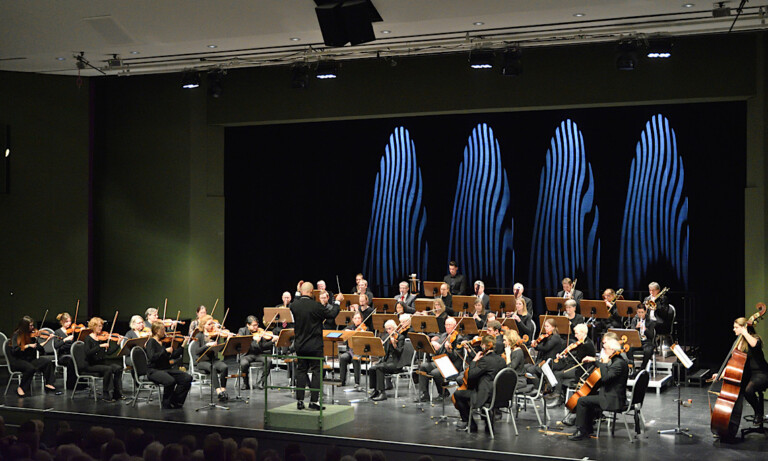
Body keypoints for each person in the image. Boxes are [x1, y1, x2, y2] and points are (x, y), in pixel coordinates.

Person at [291, 282, 343, 410]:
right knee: (316, 372)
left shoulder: (294, 305)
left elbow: (296, 299)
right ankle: (314, 401)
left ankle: (300, 401)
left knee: (301, 371)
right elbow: (331, 314)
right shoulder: (316, 306)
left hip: (300, 345)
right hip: (314, 346)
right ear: (312, 291)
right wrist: (337, 302)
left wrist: (298, 291)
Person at [568, 337, 629, 441]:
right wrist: (595, 361)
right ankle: (588, 429)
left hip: (612, 400)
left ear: (612, 350)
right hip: (612, 395)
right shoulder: (617, 360)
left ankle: (581, 431)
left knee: (582, 400)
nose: (603, 352)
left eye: (605, 349)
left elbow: (605, 378)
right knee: (589, 397)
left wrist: (604, 364)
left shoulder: (618, 364)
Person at [711, 316, 768, 426]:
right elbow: (733, 362)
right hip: (749, 374)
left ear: (743, 328)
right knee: (738, 391)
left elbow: (755, 345)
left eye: (736, 327)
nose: (734, 329)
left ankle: (758, 413)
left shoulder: (754, 338)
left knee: (749, 389)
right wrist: (720, 374)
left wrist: (745, 332)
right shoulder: (738, 342)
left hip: (762, 373)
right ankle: (729, 422)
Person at [453, 335, 505, 433]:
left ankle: (470, 424)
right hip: (499, 395)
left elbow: (471, 375)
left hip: (486, 396)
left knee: (458, 394)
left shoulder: (485, 360)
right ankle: (487, 423)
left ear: (484, 346)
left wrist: (474, 360)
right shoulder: (502, 360)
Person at [547, 323, 597, 408]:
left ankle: (558, 398)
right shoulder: (584, 342)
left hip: (582, 371)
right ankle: (559, 396)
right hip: (579, 367)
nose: (575, 335)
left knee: (558, 374)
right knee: (558, 371)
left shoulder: (586, 345)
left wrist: (564, 358)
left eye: (577, 333)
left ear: (583, 333)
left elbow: (576, 359)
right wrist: (564, 355)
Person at [145, 320, 192, 408]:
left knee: (187, 378)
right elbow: (152, 357)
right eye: (162, 330)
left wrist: (183, 345)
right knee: (170, 381)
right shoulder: (151, 342)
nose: (165, 332)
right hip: (154, 370)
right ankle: (166, 403)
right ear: (156, 331)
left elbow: (173, 356)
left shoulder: (162, 342)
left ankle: (176, 401)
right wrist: (165, 351)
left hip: (165, 369)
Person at [415, 317, 463, 402]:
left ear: (455, 326)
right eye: (446, 325)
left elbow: (456, 357)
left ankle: (443, 392)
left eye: (450, 325)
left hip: (452, 365)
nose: (447, 327)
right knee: (423, 366)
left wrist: (449, 350)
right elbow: (438, 353)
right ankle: (425, 394)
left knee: (435, 372)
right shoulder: (443, 336)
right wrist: (436, 348)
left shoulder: (459, 338)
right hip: (441, 362)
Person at [9, 317, 57, 397]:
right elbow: (14, 350)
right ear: (24, 326)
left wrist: (47, 340)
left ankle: (49, 383)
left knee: (47, 362)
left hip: (29, 360)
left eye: (32, 325)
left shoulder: (31, 335)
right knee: (30, 368)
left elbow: (38, 347)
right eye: (30, 326)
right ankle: (21, 387)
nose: (32, 327)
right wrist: (28, 346)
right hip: (18, 360)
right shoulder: (17, 335)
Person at [83, 317, 124, 402]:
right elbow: (88, 353)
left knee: (118, 368)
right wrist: (99, 346)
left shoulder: (102, 338)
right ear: (93, 326)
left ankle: (117, 393)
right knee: (108, 369)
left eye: (101, 326)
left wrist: (117, 344)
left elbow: (108, 353)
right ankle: (106, 394)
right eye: (98, 326)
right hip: (91, 364)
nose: (101, 328)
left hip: (101, 362)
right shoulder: (88, 338)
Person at [190, 314, 230, 401]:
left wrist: (227, 340)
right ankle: (219, 392)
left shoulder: (215, 335)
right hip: (201, 361)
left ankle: (223, 390)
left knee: (224, 367)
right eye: (209, 324)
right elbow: (197, 351)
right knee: (212, 367)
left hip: (213, 360)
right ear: (203, 325)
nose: (212, 326)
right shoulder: (199, 336)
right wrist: (207, 345)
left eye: (212, 324)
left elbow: (220, 350)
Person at [369, 319, 405, 401]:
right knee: (372, 369)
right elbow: (384, 353)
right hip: (387, 361)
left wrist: (394, 344)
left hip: (396, 363)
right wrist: (380, 346)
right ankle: (375, 390)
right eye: (387, 329)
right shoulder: (386, 337)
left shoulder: (400, 337)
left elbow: (399, 352)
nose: (388, 331)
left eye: (390, 329)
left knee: (380, 368)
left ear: (395, 328)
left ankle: (383, 393)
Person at [237, 316, 276, 390]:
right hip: (246, 355)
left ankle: (262, 382)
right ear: (248, 325)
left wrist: (272, 341)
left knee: (268, 360)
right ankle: (245, 382)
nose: (256, 327)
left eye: (257, 325)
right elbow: (240, 340)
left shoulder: (260, 331)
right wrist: (252, 338)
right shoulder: (242, 330)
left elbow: (264, 346)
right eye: (254, 325)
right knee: (244, 363)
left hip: (258, 354)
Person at [338, 312, 366, 389]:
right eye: (355, 318)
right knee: (343, 357)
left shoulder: (365, 328)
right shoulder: (349, 328)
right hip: (349, 351)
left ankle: (357, 382)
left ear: (361, 319)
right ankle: (342, 381)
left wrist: (363, 333)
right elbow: (342, 337)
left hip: (360, 352)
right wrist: (345, 333)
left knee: (355, 358)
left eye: (359, 318)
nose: (357, 320)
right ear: (353, 320)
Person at [628, 304, 656, 376]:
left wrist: (645, 329)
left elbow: (651, 336)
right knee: (628, 348)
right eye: (639, 312)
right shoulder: (634, 320)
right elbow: (631, 334)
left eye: (642, 312)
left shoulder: (650, 321)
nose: (640, 314)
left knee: (648, 351)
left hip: (647, 342)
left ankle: (642, 369)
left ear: (645, 312)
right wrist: (636, 328)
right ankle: (632, 368)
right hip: (637, 341)